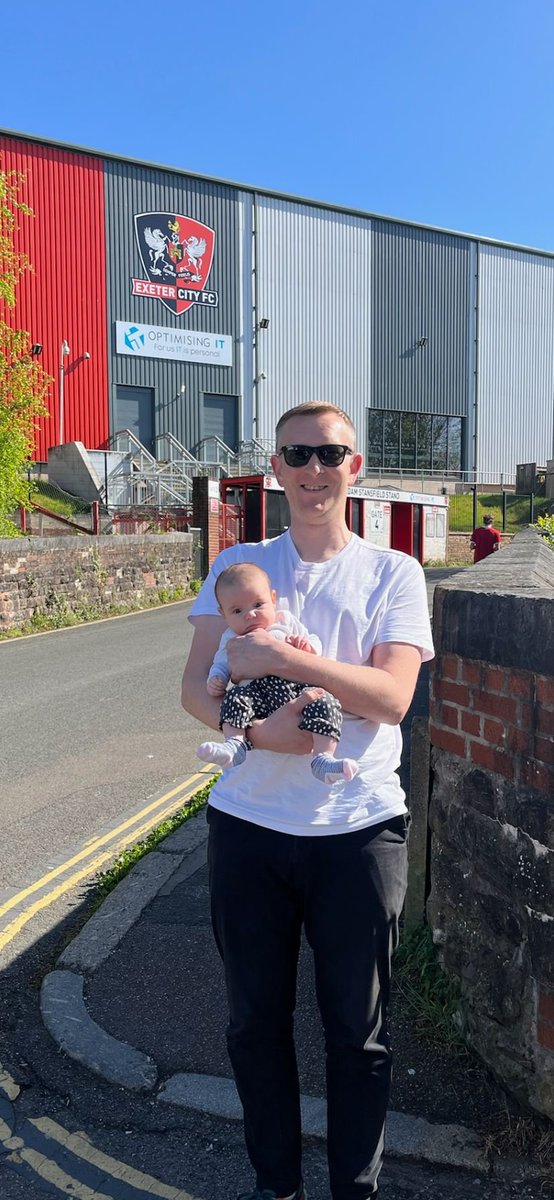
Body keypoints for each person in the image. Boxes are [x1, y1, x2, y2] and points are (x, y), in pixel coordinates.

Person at [182, 401, 434, 1200]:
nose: (315, 469)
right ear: (277, 467)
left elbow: (393, 697)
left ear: (354, 468)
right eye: (298, 454)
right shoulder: (240, 563)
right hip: (250, 827)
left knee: (357, 1035)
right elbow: (196, 688)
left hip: (357, 832)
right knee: (254, 1027)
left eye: (331, 454)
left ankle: (353, 1190)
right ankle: (277, 1187)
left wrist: (285, 661)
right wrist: (263, 738)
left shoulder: (393, 572)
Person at [197, 561, 358, 785]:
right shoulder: (231, 638)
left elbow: (314, 643)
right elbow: (221, 662)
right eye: (237, 610)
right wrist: (217, 678)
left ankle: (323, 757)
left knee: (326, 702)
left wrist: (305, 646)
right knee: (234, 698)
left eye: (258, 604)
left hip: (298, 690)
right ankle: (234, 744)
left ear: (273, 599)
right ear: (223, 614)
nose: (250, 615)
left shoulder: (286, 623)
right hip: (256, 696)